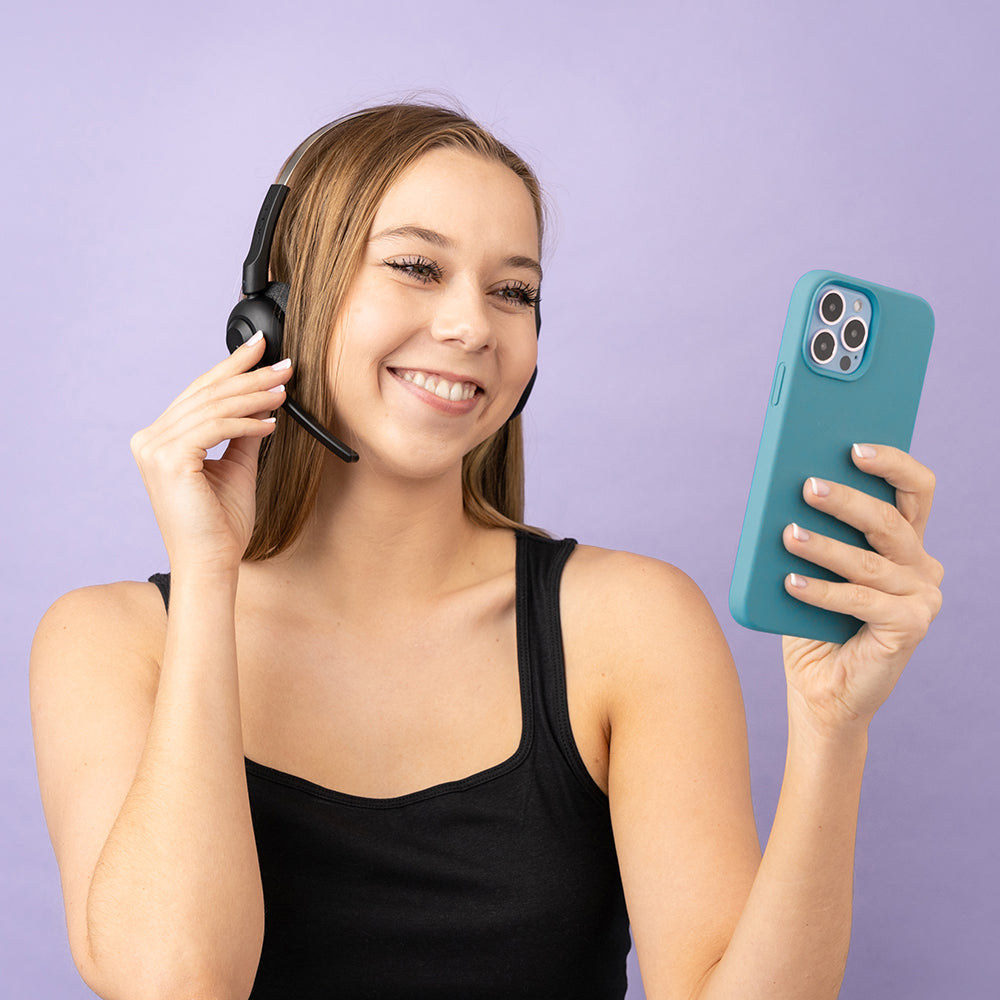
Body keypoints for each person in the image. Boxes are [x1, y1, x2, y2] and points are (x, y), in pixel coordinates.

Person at [30, 103, 944, 1000]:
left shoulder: (628, 624)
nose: (473, 326)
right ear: (276, 305)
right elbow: (177, 983)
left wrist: (832, 731)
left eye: (514, 291)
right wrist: (206, 576)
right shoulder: (109, 643)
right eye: (417, 267)